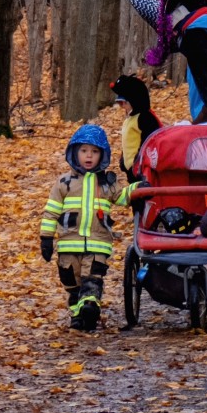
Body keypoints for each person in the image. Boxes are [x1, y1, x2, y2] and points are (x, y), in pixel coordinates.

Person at [39, 123, 131, 331]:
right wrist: (46, 237)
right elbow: (51, 211)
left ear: (102, 155)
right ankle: (77, 313)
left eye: (94, 152)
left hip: (98, 243)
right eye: (84, 151)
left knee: (92, 279)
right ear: (74, 152)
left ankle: (90, 307)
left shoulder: (106, 183)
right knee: (71, 281)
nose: (89, 156)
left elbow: (123, 197)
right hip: (68, 243)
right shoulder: (64, 182)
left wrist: (138, 188)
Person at [110, 74, 162, 177]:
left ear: (134, 100)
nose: (122, 107)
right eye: (120, 103)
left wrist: (137, 161)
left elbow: (148, 141)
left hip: (142, 169)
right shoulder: (130, 119)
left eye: (123, 103)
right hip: (131, 169)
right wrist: (123, 160)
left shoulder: (145, 118)